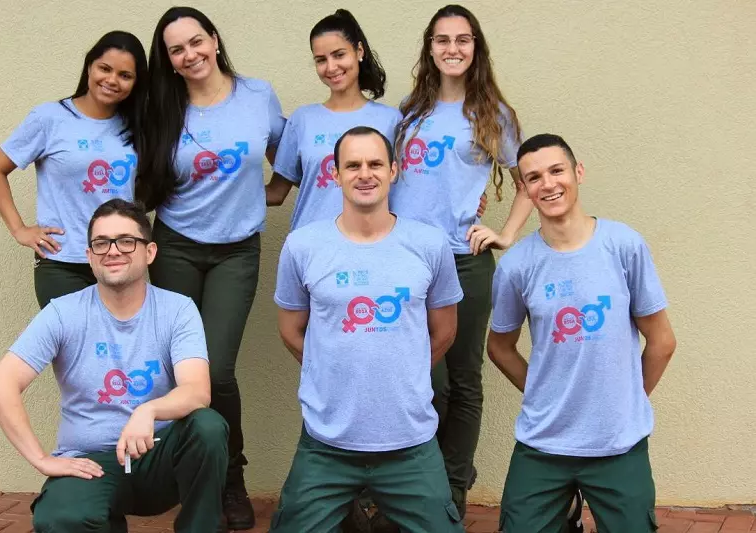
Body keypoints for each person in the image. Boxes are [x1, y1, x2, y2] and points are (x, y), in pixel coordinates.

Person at [0, 199, 230, 533]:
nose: (113, 251)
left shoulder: (177, 310)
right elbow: (0, 387)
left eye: (126, 241)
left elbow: (197, 391)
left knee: (208, 427)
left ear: (150, 252)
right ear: (89, 256)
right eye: (101, 243)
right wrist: (41, 459)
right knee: (59, 518)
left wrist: (148, 411)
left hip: (160, 456)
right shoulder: (62, 313)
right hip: (91, 462)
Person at [269, 126, 465, 533]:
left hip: (410, 446)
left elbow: (445, 331)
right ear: (335, 174)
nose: (364, 173)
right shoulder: (303, 246)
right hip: (327, 446)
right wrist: (331, 368)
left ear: (394, 170)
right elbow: (290, 330)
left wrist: (406, 368)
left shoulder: (429, 244)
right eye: (352, 165)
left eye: (375, 163)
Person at [134, 7, 286, 529]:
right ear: (169, 60)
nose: (190, 54)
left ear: (214, 40)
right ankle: (190, 480)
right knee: (177, 369)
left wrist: (268, 195)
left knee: (216, 370)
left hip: (236, 252)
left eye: (196, 41)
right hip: (175, 245)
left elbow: (288, 158)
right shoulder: (161, 106)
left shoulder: (258, 95)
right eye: (177, 49)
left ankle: (230, 480)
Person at [487, 134, 677, 532]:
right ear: (525, 189)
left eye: (557, 171)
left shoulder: (623, 246)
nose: (548, 184)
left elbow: (662, 342)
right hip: (544, 444)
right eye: (534, 178)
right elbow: (500, 347)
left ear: (578, 172)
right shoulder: (516, 266)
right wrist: (541, 391)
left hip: (617, 444)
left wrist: (627, 399)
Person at [388, 4, 533, 519]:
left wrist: (504, 234)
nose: (453, 48)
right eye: (443, 39)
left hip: (463, 261)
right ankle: (419, 484)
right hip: (406, 261)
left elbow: (527, 181)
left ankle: (451, 495)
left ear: (476, 48)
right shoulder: (408, 111)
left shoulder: (494, 114)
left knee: (464, 379)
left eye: (463, 39)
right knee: (427, 379)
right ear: (430, 49)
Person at [0, 31, 148, 309]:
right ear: (89, 66)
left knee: (122, 339)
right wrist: (19, 229)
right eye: (105, 68)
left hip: (120, 261)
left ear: (135, 82)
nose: (112, 80)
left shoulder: (136, 126)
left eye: (125, 75)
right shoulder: (50, 118)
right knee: (71, 339)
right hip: (63, 263)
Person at [265, 9, 401, 231]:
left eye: (339, 55)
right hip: (311, 242)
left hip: (373, 243)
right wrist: (218, 188)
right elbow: (276, 192)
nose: (331, 67)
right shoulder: (302, 120)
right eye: (321, 60)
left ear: (359, 51)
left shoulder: (391, 120)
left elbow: (407, 192)